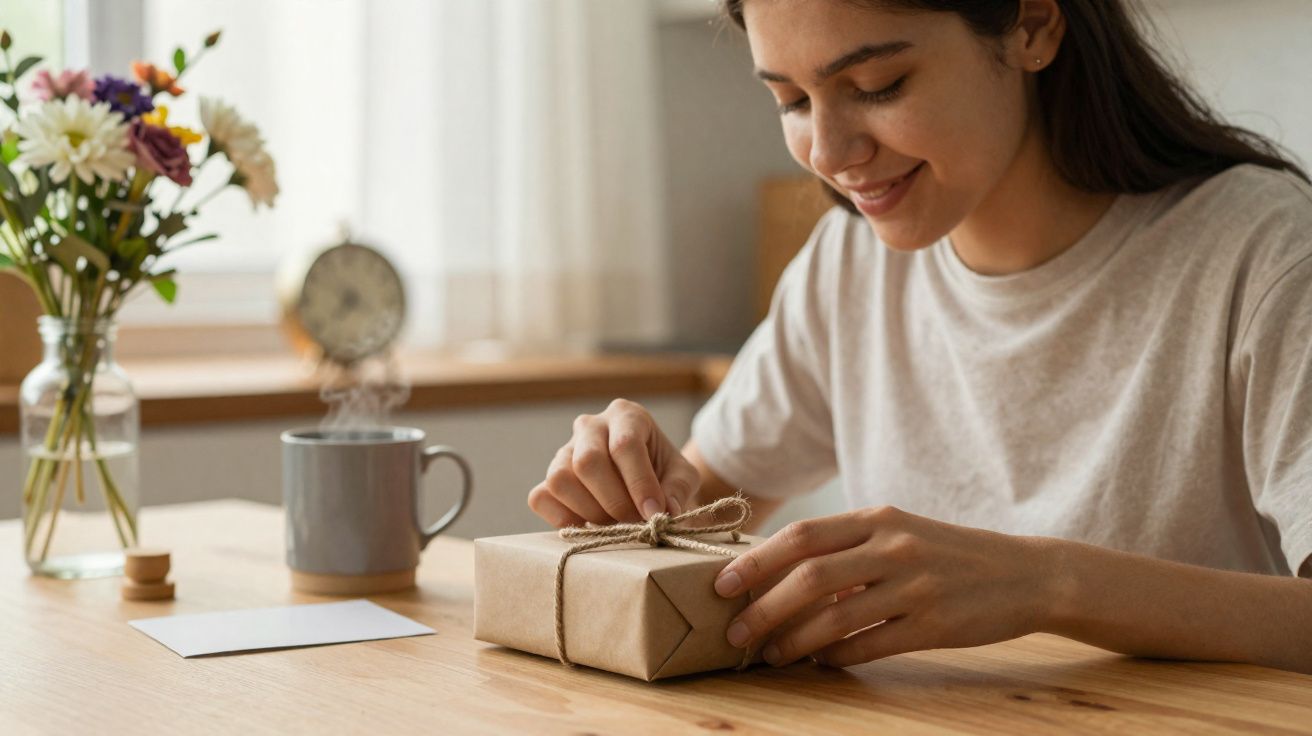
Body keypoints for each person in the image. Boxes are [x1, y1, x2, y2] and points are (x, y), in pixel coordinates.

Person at [527, 0, 1312, 674]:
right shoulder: (849, 263)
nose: (830, 156)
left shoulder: (1264, 255)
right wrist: (639, 493)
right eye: (794, 101)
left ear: (1032, 24)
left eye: (877, 85)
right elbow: (706, 508)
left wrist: (1046, 584)